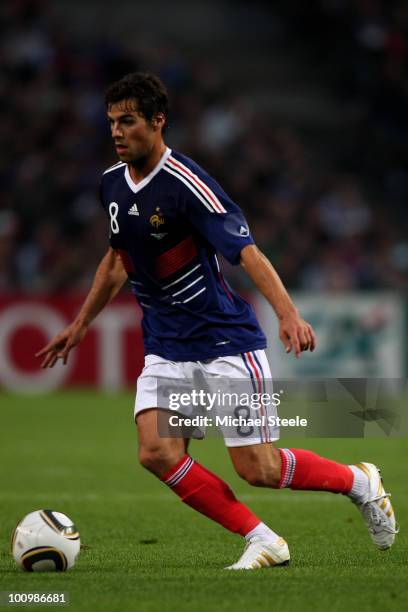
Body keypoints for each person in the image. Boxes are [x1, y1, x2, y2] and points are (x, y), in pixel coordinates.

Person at [36, 72, 398, 569]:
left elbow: (245, 252)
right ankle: (263, 539)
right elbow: (119, 259)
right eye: (111, 123)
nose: (117, 132)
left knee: (260, 468)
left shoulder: (189, 184)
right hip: (166, 347)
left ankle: (360, 481)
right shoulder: (111, 186)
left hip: (224, 343)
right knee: (156, 453)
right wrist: (79, 326)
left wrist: (288, 313)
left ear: (158, 122)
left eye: (128, 122)